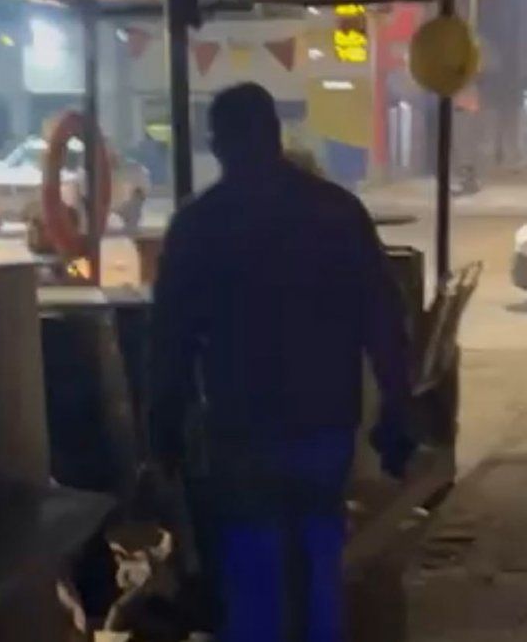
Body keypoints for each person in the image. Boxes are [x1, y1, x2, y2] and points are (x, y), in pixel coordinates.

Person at [149, 82, 415, 642]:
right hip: (322, 422)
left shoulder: (200, 226)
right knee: (318, 556)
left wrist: (163, 433)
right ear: (274, 135)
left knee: (252, 570)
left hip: (242, 428)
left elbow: (169, 340)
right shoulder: (336, 212)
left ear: (217, 145)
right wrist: (397, 410)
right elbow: (383, 319)